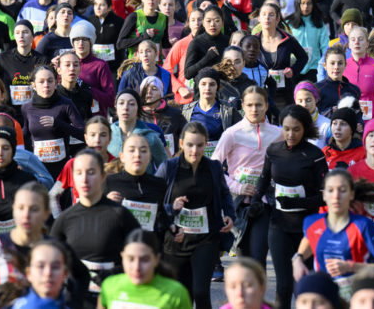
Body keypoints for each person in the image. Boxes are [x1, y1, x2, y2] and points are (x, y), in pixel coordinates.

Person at [0, 181, 87, 305]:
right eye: (21, 208)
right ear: (13, 210)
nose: (26, 215)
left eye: (34, 209)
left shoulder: (55, 248)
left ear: (46, 213)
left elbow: (82, 276)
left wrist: (71, 303)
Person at [249, 104, 327, 309]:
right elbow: (263, 179)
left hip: (306, 229)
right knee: (283, 287)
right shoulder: (273, 151)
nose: (291, 134)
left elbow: (325, 197)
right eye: (286, 129)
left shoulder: (315, 155)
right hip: (279, 226)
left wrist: (298, 203)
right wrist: (255, 201)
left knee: (304, 286)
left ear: (305, 129)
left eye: (296, 129)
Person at [156, 122, 235, 309]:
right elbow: (154, 201)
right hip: (176, 240)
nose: (195, 150)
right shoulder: (168, 167)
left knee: (201, 292)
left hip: (206, 239)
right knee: (181, 295)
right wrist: (171, 207)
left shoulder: (214, 167)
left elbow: (225, 194)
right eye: (190, 145)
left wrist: (229, 214)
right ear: (181, 143)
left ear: (206, 144)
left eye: (200, 145)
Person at [51, 149, 142, 302]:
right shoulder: (65, 219)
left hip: (113, 298)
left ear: (103, 176)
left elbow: (141, 256)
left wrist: (114, 272)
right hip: (76, 301)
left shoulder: (121, 215)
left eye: (91, 172)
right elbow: (52, 262)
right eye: (79, 173)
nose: (84, 179)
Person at [291, 169, 374, 299]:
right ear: (324, 195)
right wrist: (298, 260)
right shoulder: (311, 222)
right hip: (326, 295)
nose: (336, 196)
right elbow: (310, 239)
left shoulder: (364, 226)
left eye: (342, 190)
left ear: (351, 194)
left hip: (359, 297)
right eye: (330, 190)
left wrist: (351, 267)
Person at [212, 86, 281, 265]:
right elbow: (213, 167)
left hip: (264, 202)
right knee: (244, 261)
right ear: (242, 106)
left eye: (259, 105)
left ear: (266, 106)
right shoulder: (232, 133)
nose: (254, 109)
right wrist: (238, 187)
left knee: (258, 258)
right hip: (237, 204)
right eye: (249, 105)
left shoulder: (278, 134)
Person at [98, 229, 191, 309]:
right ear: (122, 257)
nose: (137, 267)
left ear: (156, 259)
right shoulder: (109, 286)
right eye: (130, 259)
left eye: (145, 260)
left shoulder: (177, 293)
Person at [20, 65, 85, 179]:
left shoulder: (66, 104)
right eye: (41, 82)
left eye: (50, 81)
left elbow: (83, 134)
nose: (46, 85)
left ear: (56, 82)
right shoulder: (26, 107)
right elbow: (24, 135)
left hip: (62, 168)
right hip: (38, 169)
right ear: (33, 85)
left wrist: (59, 124)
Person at [106, 132, 170, 236]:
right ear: (122, 157)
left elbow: (164, 218)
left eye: (143, 151)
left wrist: (173, 227)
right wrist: (106, 204)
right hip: (119, 244)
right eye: (131, 150)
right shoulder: (108, 183)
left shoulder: (160, 185)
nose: (137, 155)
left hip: (149, 244)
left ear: (149, 156)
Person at [322, 105, 366, 169]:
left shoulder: (363, 153)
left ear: (352, 129)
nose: (338, 128)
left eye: (343, 124)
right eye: (334, 123)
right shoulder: (325, 152)